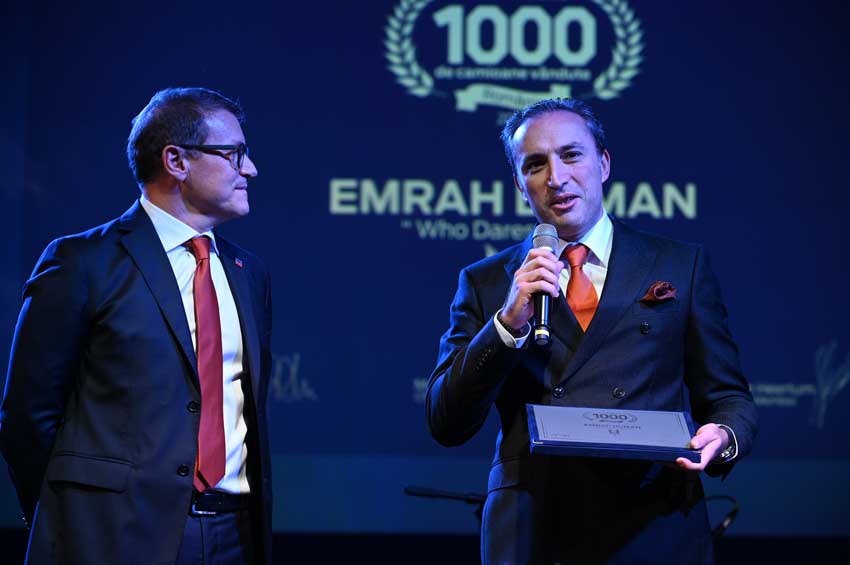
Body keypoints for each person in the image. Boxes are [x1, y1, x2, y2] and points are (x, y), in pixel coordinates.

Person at [426, 99, 758, 564]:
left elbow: (729, 397)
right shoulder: (487, 282)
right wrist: (506, 325)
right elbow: (446, 420)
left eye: (571, 155)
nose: (556, 178)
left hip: (654, 521)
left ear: (603, 164)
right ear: (519, 185)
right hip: (534, 527)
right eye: (535, 165)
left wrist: (723, 435)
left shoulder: (679, 265)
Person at [0, 87, 273, 564]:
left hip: (235, 536)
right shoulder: (83, 262)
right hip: (111, 538)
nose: (249, 169)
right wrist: (65, 516)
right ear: (176, 161)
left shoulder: (248, 273)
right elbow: (28, 415)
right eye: (234, 154)